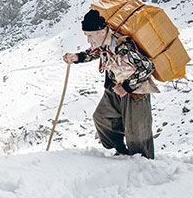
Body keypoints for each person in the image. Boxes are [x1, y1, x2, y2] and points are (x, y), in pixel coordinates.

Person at [63, 9, 158, 159]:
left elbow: (147, 67)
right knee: (102, 118)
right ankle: (121, 152)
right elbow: (95, 52)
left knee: (137, 132)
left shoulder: (123, 46)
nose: (88, 40)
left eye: (90, 35)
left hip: (136, 93)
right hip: (115, 88)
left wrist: (126, 88)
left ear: (101, 31)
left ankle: (143, 165)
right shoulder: (105, 42)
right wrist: (78, 57)